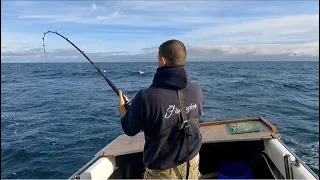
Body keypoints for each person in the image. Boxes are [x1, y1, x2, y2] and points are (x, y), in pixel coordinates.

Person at [118, 39, 203, 179]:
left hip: (163, 173)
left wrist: (122, 108)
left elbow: (129, 129)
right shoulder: (197, 90)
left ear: (163, 60)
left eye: (158, 58)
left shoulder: (146, 97)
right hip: (192, 163)